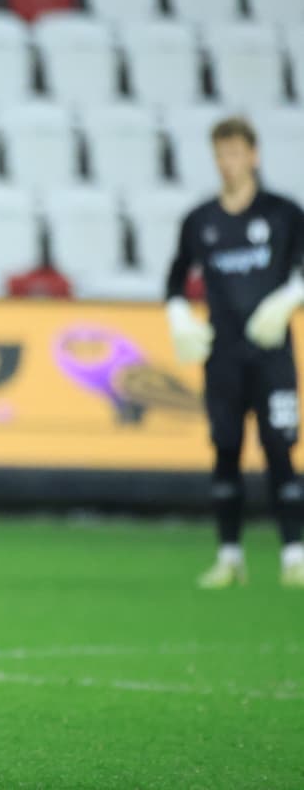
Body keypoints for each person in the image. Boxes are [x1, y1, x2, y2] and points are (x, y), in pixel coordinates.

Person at [164, 116, 304, 589]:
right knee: (225, 449)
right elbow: (175, 278)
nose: (229, 163)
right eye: (221, 154)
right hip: (222, 354)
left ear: (254, 155)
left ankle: (294, 556)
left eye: (236, 153)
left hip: (271, 354)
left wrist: (288, 299)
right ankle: (229, 557)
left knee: (280, 449)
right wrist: (179, 316)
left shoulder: (284, 214)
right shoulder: (200, 220)